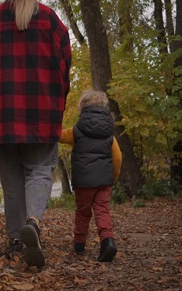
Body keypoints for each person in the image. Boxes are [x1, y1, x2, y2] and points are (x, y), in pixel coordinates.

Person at [0, 0, 72, 268]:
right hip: (41, 111)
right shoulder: (52, 22)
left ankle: (16, 241)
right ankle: (33, 223)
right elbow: (64, 71)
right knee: (40, 171)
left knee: (12, 179)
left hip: (3, 115)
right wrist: (57, 104)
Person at [59, 90, 122, 262]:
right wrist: (113, 176)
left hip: (84, 182)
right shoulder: (109, 133)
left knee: (83, 212)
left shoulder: (76, 130)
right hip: (104, 181)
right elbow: (117, 157)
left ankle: (79, 245)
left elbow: (59, 135)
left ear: (82, 108)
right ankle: (107, 241)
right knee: (102, 211)